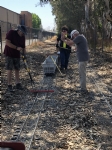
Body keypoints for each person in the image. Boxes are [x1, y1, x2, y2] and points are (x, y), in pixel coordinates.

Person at [4, 25, 27, 92]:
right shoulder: (11, 32)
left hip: (17, 54)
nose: (23, 34)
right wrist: (16, 47)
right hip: (9, 53)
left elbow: (23, 47)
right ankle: (9, 85)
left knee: (17, 69)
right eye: (22, 33)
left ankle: (17, 83)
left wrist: (24, 55)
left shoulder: (23, 37)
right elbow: (7, 42)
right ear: (19, 31)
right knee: (9, 69)